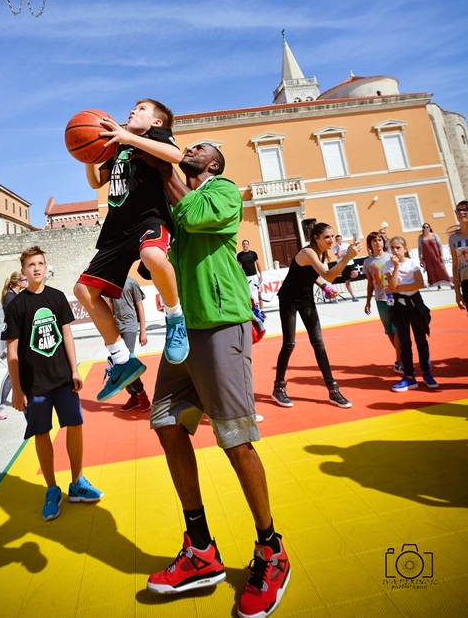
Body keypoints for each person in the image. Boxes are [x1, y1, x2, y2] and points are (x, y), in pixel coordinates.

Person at [145, 142, 290, 618]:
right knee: (165, 422)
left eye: (200, 149)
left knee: (235, 439)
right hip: (185, 328)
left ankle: (271, 550)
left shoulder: (223, 191)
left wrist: (158, 154)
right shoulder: (179, 197)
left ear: (211, 165)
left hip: (222, 322)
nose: (191, 147)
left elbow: (190, 211)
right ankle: (201, 547)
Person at [74, 99, 188, 402]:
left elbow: (175, 155)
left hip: (149, 218)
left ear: (156, 122)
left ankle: (175, 318)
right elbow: (96, 182)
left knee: (153, 256)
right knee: (83, 291)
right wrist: (88, 152)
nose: (132, 111)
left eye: (141, 109)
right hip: (116, 229)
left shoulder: (154, 138)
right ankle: (121, 359)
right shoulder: (117, 147)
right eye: (133, 108)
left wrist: (129, 138)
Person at [2, 245, 103, 520]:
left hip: (62, 378)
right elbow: (12, 352)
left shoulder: (57, 298)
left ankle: (77, 482)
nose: (36, 268)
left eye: (40, 263)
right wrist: (17, 389)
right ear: (23, 271)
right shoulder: (17, 306)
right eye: (31, 265)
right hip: (35, 385)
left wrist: (75, 370)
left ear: (46, 267)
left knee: (75, 425)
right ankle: (51, 489)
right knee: (42, 433)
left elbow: (67, 336)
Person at [272, 223, 360, 409]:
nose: (330, 240)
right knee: (289, 344)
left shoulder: (319, 253)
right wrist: (347, 257)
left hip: (306, 300)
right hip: (288, 300)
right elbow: (328, 274)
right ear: (316, 238)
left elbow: (314, 275)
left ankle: (333, 390)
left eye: (332, 236)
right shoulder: (308, 252)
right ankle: (278, 387)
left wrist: (325, 288)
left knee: (318, 343)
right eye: (326, 237)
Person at [387, 236, 438, 392]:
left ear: (405, 248)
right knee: (404, 341)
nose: (395, 251)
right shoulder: (388, 266)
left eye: (398, 247)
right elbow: (392, 284)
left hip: (415, 304)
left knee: (421, 339)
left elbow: (419, 283)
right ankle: (409, 376)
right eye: (392, 248)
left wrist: (398, 288)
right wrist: (396, 268)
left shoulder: (412, 263)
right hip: (400, 307)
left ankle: (427, 372)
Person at [107, 276, 151, 413]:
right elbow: (110, 309)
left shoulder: (132, 283)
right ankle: (134, 397)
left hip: (130, 327)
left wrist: (143, 331)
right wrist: (107, 333)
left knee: (126, 363)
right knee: (119, 364)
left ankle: (142, 394)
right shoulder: (111, 283)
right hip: (116, 329)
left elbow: (140, 307)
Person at [363, 231, 402, 373]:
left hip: (394, 297)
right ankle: (401, 356)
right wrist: (368, 302)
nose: (378, 243)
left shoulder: (391, 257)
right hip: (380, 299)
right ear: (370, 245)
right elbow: (370, 284)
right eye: (374, 241)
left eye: (379, 240)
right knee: (390, 331)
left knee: (397, 328)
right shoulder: (368, 262)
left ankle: (400, 360)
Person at [0, 271, 28, 420]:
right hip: (15, 339)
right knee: (12, 372)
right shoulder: (9, 298)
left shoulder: (16, 296)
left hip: (22, 338)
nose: (27, 281)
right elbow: (14, 321)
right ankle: (1, 405)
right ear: (18, 282)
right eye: (24, 279)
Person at [418, 223, 451, 288]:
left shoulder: (434, 235)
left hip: (436, 255)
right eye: (424, 227)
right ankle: (437, 285)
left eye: (427, 227)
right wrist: (420, 258)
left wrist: (441, 255)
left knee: (442, 269)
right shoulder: (421, 237)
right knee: (431, 271)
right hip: (427, 257)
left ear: (429, 228)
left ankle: (449, 283)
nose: (426, 228)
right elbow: (419, 248)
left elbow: (440, 245)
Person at [448, 200, 468, 311]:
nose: (461, 212)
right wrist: (457, 292)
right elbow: (455, 266)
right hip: (466, 282)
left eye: (465, 209)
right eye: (459, 210)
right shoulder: (453, 238)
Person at [331, 235, 360, 301]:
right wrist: (339, 248)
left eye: (340, 239)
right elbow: (338, 255)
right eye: (337, 239)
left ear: (342, 239)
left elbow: (351, 251)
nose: (339, 240)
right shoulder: (335, 248)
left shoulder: (346, 245)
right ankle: (353, 296)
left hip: (350, 262)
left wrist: (345, 254)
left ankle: (350, 276)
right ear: (336, 240)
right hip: (342, 265)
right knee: (347, 282)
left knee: (355, 273)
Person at [237, 239, 263, 311]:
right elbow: (238, 267)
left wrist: (261, 275)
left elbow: (258, 264)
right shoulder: (239, 255)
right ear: (242, 245)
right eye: (244, 244)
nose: (245, 245)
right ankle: (252, 310)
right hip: (246, 277)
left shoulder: (253, 253)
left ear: (248, 245)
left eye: (246, 244)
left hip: (254, 276)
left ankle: (261, 311)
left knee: (259, 293)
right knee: (248, 294)